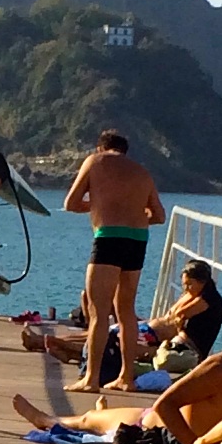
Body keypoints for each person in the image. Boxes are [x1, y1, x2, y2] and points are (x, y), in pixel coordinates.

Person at [16, 326, 222, 444]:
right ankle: (45, 419)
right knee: (88, 420)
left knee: (100, 418)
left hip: (151, 419)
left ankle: (102, 411)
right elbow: (164, 405)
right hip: (147, 425)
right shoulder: (219, 370)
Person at [63, 130, 165, 395]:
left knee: (98, 311)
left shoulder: (95, 161)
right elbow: (159, 216)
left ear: (101, 148)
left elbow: (71, 202)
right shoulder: (141, 172)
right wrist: (134, 212)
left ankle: (91, 379)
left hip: (109, 237)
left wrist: (98, 204)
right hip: (137, 239)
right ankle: (126, 377)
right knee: (126, 310)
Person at [141, 260, 222, 372]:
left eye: (189, 284)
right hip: (168, 340)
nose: (186, 288)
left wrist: (176, 327)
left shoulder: (208, 299)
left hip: (186, 349)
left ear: (202, 282)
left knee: (136, 347)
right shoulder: (194, 294)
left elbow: (181, 314)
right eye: (184, 284)